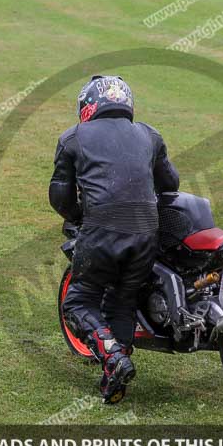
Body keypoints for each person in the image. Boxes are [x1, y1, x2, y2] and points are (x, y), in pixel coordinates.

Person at [49, 75, 179, 404]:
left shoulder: (73, 137)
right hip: (146, 232)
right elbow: (171, 184)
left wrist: (81, 217)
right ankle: (114, 378)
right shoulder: (149, 134)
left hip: (102, 232)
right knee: (123, 302)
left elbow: (59, 198)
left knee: (77, 303)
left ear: (89, 105)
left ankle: (113, 359)